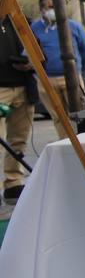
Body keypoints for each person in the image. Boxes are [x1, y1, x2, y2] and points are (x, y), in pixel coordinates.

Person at [31, 0, 85, 136]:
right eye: (49, 7)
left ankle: (83, 144)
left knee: (79, 114)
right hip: (47, 80)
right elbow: (30, 51)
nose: (52, 10)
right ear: (41, 9)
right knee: (59, 118)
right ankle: (66, 144)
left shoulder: (73, 26)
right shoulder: (35, 28)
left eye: (55, 6)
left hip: (71, 77)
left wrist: (76, 67)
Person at [0, 16, 36, 203]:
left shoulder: (20, 20)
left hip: (22, 85)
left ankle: (13, 182)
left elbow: (37, 48)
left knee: (18, 139)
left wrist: (33, 61)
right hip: (1, 87)